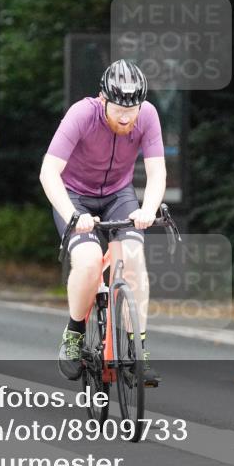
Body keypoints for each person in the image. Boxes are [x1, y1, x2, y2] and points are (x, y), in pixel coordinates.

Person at [39, 59, 166, 385]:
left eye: (131, 109)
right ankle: (74, 332)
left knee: (134, 258)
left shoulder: (148, 116)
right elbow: (49, 171)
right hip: (75, 196)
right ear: (103, 99)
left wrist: (148, 209)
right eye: (118, 109)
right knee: (88, 260)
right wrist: (72, 214)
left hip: (118, 196)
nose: (125, 117)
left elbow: (156, 172)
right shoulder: (82, 114)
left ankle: (138, 351)